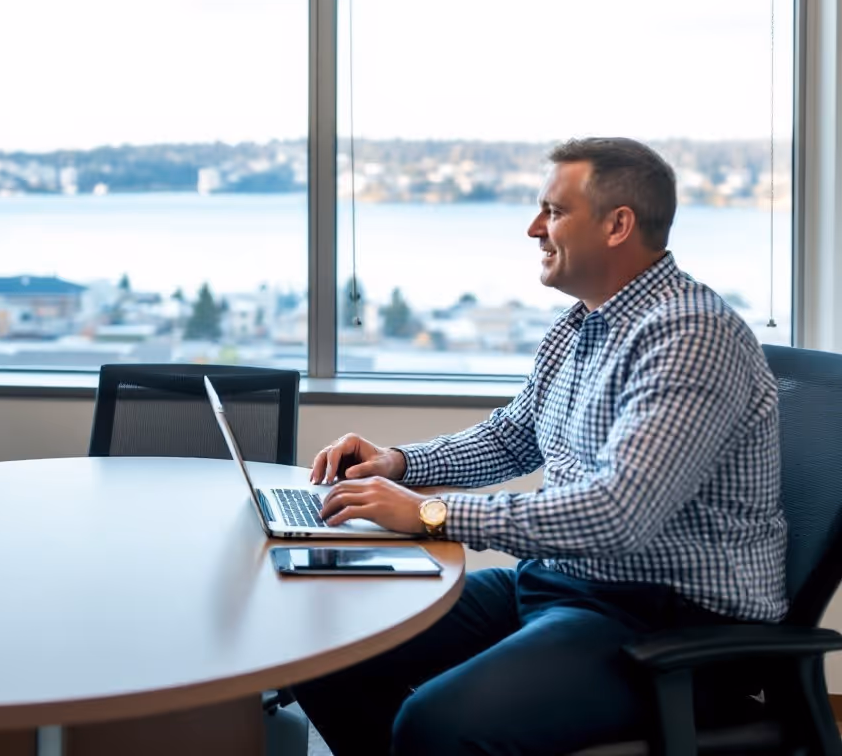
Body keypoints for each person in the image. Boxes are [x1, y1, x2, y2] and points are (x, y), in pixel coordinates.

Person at [293, 138, 786, 755]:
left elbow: (617, 514)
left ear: (617, 225)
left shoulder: (690, 335)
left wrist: (429, 515)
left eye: (553, 211)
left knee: (436, 723)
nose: (534, 228)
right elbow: (511, 438)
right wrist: (397, 463)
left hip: (664, 621)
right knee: (323, 647)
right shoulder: (581, 324)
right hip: (561, 583)